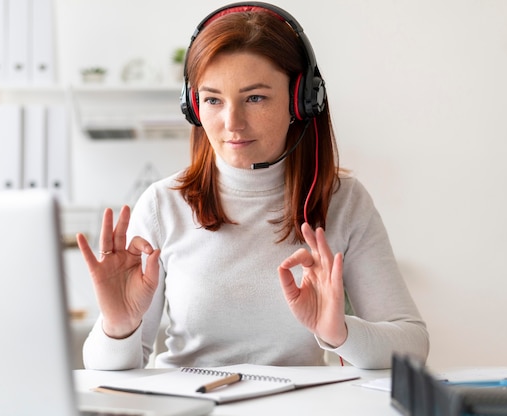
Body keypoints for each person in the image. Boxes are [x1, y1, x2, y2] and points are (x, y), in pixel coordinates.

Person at [77, 2, 429, 371]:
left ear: (301, 101)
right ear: (193, 106)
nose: (232, 123)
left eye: (255, 98)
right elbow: (111, 374)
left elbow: (412, 344)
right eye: (213, 100)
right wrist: (118, 326)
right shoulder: (162, 206)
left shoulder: (342, 201)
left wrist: (340, 333)